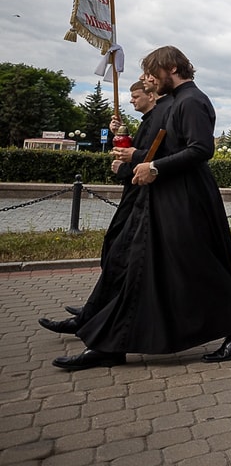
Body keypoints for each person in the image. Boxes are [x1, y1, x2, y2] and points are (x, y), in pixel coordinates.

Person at [51, 46, 231, 369]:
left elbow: (201, 149)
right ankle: (111, 343)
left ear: (171, 68)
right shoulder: (178, 102)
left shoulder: (191, 101)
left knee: (195, 267)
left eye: (153, 72)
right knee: (152, 269)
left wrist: (155, 168)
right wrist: (141, 157)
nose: (149, 79)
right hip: (172, 197)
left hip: (187, 200)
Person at [39, 75, 166, 334]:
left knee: (120, 254)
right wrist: (119, 132)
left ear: (151, 94)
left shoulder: (159, 119)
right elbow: (136, 152)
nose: (131, 100)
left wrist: (123, 166)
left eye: (136, 95)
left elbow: (150, 159)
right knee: (116, 251)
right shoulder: (149, 121)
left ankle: (93, 313)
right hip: (135, 196)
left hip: (141, 196)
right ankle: (97, 308)